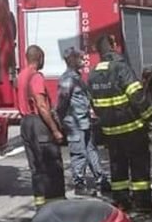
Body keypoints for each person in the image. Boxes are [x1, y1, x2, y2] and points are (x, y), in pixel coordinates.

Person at [88, 35, 152, 212]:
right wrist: (150, 117)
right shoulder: (120, 67)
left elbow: (93, 104)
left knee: (117, 167)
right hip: (132, 128)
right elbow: (137, 96)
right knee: (139, 166)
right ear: (112, 46)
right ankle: (143, 203)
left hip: (110, 132)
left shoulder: (93, 73)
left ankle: (122, 202)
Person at [56, 47, 109, 196]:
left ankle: (101, 179)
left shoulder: (76, 77)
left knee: (91, 151)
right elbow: (62, 103)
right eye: (77, 56)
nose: (81, 57)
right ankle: (79, 185)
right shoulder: (68, 79)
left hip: (84, 122)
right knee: (79, 153)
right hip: (75, 124)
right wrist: (60, 122)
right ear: (70, 59)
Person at [17, 45, 66, 208]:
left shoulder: (21, 75)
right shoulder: (36, 76)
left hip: (25, 124)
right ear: (39, 58)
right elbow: (42, 106)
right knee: (53, 167)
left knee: (36, 169)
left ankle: (41, 205)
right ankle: (56, 207)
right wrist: (55, 130)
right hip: (39, 125)